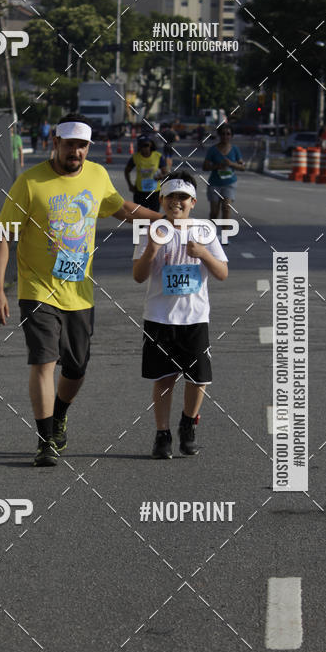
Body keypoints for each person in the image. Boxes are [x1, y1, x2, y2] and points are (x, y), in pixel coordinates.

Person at [0, 113, 164, 467]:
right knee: (43, 361)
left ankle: (59, 414)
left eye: (82, 146)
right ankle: (45, 441)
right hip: (37, 289)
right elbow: (3, 235)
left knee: (76, 367)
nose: (76, 152)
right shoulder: (30, 182)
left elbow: (121, 208)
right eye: (70, 144)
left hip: (79, 293)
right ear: (55, 143)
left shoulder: (97, 176)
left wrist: (163, 219)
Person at [132, 173, 228, 459]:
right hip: (160, 317)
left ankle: (188, 424)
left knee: (199, 379)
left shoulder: (204, 230)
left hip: (194, 318)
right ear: (161, 200)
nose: (177, 202)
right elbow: (138, 276)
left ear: (193, 202)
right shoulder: (152, 231)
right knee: (164, 379)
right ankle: (162, 435)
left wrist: (203, 254)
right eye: (171, 196)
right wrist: (152, 249)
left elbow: (222, 273)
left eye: (183, 197)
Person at [202, 124, 244, 219]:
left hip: (229, 183)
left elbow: (242, 167)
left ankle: (225, 229)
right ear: (219, 135)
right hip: (214, 183)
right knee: (214, 212)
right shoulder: (213, 150)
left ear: (231, 136)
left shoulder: (235, 149)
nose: (225, 136)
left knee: (226, 208)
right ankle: (212, 228)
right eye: (223, 134)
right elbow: (205, 167)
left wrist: (231, 164)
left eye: (228, 134)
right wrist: (217, 166)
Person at [125, 135, 167, 213]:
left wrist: (161, 177)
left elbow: (166, 173)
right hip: (140, 192)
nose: (144, 148)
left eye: (146, 145)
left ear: (151, 145)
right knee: (140, 216)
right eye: (141, 145)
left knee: (154, 216)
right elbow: (127, 171)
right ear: (139, 146)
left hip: (154, 192)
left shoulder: (158, 156)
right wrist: (130, 185)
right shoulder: (135, 157)